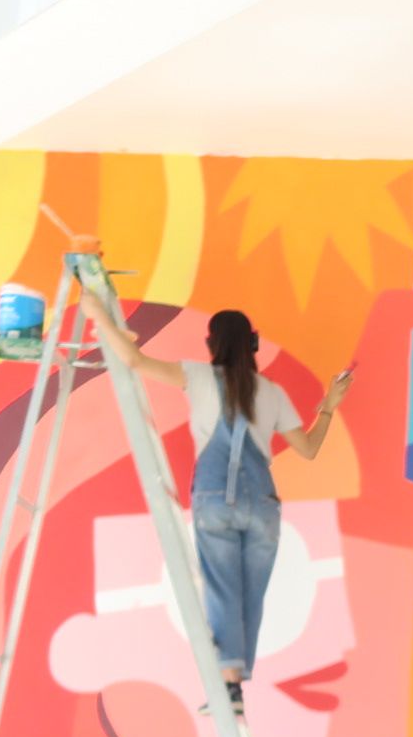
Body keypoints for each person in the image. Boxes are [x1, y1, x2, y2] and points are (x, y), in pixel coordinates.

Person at [78, 290, 353, 714]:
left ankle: (229, 688)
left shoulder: (198, 376)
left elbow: (133, 361)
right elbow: (309, 449)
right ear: (253, 344)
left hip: (215, 500)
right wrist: (329, 406)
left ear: (212, 344)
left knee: (223, 590)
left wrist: (98, 314)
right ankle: (233, 686)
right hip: (262, 506)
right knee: (250, 596)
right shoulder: (272, 392)